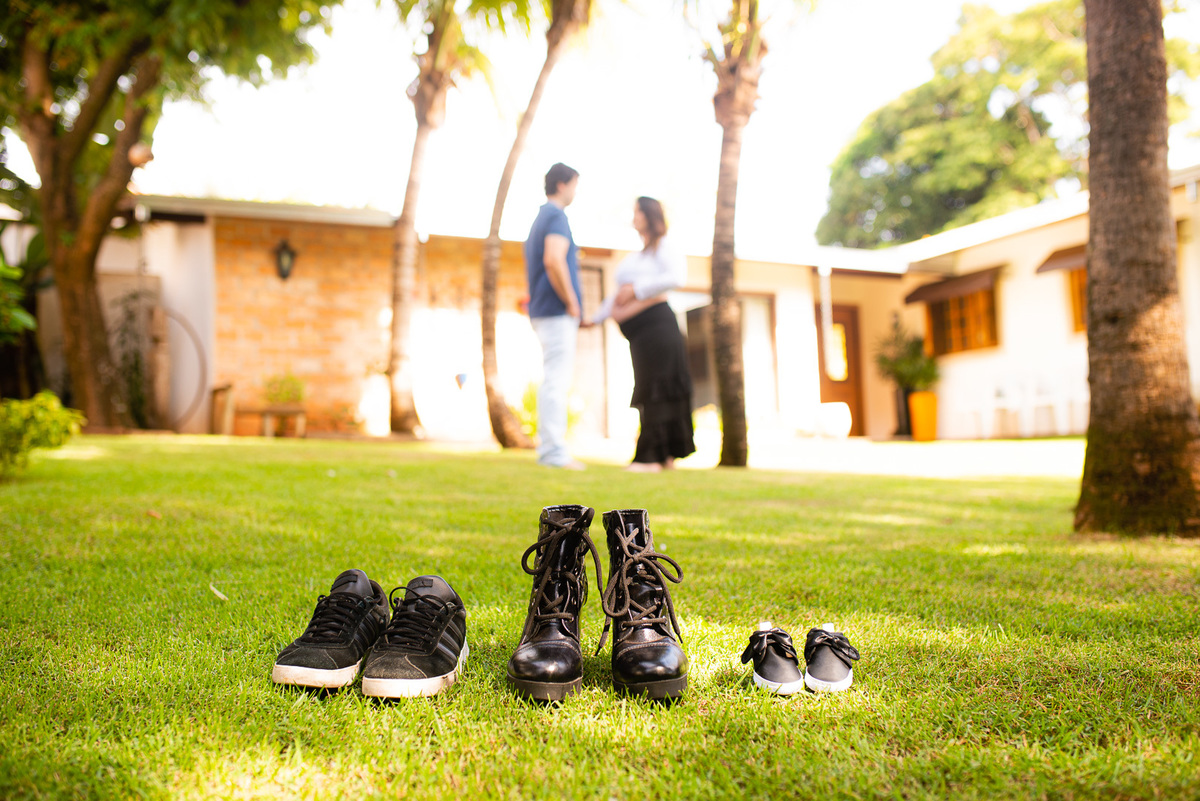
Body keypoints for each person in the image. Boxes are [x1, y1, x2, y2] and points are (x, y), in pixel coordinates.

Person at [592, 197, 696, 472]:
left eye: (638, 211)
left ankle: (652, 458)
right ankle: (662, 457)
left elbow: (677, 278)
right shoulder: (637, 257)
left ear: (650, 215)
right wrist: (595, 318)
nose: (634, 216)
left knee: (659, 389)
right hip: (641, 336)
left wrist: (637, 290)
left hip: (659, 330)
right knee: (650, 388)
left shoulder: (666, 247)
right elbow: (617, 296)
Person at [524, 163, 586, 470]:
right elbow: (553, 260)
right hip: (555, 312)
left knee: (553, 380)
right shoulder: (556, 216)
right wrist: (572, 301)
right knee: (556, 382)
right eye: (574, 184)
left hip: (544, 311)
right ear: (562, 185)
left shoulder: (540, 217)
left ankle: (551, 450)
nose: (575, 191)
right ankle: (553, 452)